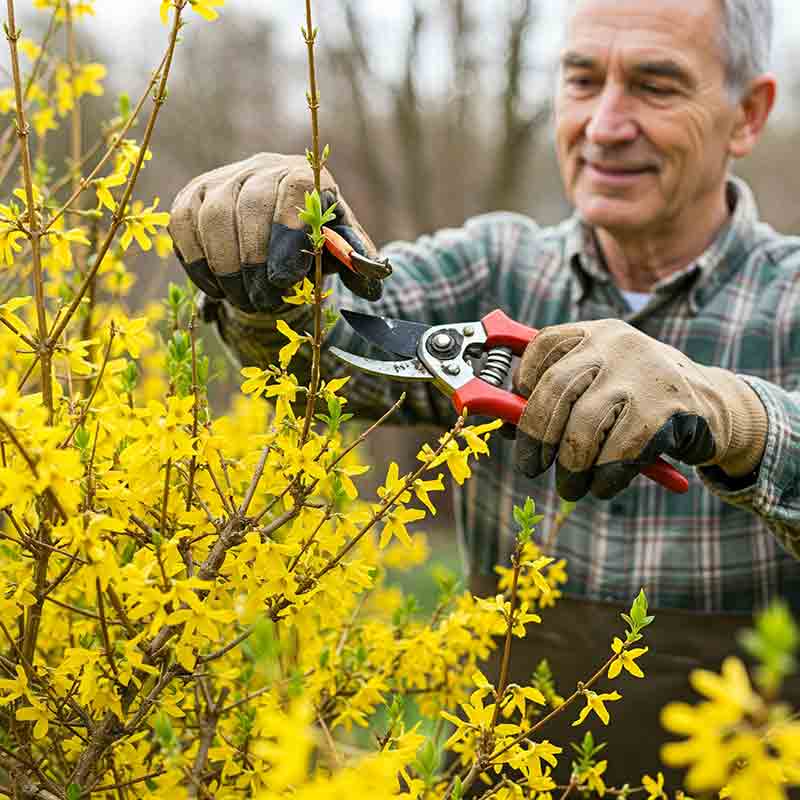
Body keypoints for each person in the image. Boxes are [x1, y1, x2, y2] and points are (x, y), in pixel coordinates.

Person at [168, 0, 800, 788]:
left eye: (655, 85)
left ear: (748, 114)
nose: (605, 123)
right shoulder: (494, 266)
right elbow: (335, 352)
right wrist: (274, 274)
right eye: (581, 80)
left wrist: (735, 418)